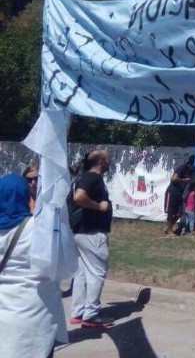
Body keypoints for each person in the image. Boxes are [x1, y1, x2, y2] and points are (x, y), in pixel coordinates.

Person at [0, 174, 67, 357]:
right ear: (25, 196)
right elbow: (60, 263)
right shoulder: (38, 229)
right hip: (37, 313)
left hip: (4, 312)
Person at [70, 149, 115, 328]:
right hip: (92, 233)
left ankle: (78, 312)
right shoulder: (93, 177)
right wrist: (99, 206)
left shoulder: (82, 177)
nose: (109, 162)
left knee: (81, 272)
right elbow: (79, 197)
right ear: (101, 162)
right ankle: (91, 315)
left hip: (80, 232)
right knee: (97, 272)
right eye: (108, 159)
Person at [164, 156, 195, 237]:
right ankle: (170, 231)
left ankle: (169, 227)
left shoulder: (190, 171)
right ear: (191, 163)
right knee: (171, 212)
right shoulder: (182, 168)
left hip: (179, 193)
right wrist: (184, 180)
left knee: (180, 212)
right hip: (172, 192)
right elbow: (173, 179)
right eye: (194, 165)